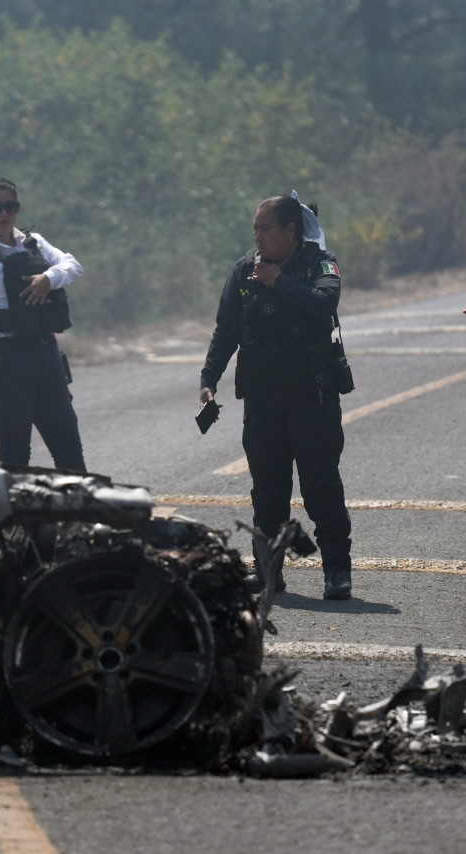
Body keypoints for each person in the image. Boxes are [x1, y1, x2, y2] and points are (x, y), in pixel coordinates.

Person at [199, 194, 353, 600]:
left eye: (266, 228)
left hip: (311, 397)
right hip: (263, 399)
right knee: (268, 491)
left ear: (290, 231)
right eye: (256, 229)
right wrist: (208, 378)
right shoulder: (242, 272)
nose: (258, 236)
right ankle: (268, 572)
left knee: (321, 487)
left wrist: (278, 282)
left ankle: (337, 572)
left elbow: (324, 304)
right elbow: (225, 330)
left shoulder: (320, 263)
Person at [0, 176, 86, 471]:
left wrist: (48, 279)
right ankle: (19, 517)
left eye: (10, 206)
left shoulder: (33, 244)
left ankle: (80, 516)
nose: (4, 214)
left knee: (69, 451)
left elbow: (72, 266)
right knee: (15, 456)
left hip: (46, 358)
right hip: (4, 364)